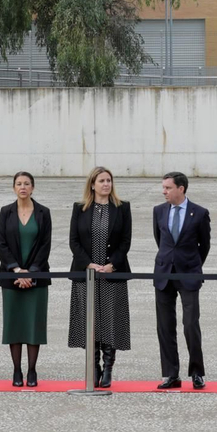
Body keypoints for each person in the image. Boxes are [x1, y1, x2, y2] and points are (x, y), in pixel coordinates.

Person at [69, 166, 132, 388]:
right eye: (102, 181)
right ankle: (93, 366)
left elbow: (125, 241)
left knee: (110, 321)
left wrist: (112, 264)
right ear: (93, 185)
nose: (106, 184)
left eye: (109, 180)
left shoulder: (122, 208)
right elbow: (74, 241)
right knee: (90, 321)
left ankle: (108, 368)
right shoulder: (80, 208)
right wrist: (88, 264)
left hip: (111, 274)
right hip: (86, 274)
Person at [151, 172, 212, 390]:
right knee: (165, 326)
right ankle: (170, 374)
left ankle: (197, 373)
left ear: (181, 189)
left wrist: (192, 265)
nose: (164, 191)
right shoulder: (159, 211)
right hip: (163, 274)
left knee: (190, 324)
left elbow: (204, 246)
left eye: (168, 188)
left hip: (189, 275)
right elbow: (160, 240)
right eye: (163, 187)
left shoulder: (200, 213)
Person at [0, 172, 51, 388]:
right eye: (19, 184)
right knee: (14, 324)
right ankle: (17, 369)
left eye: (27, 184)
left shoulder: (43, 212)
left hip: (37, 277)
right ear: (14, 188)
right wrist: (17, 270)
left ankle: (32, 370)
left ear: (33, 187)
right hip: (12, 277)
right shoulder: (6, 212)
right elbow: (1, 243)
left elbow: (45, 245)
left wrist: (31, 272)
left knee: (33, 324)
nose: (23, 187)